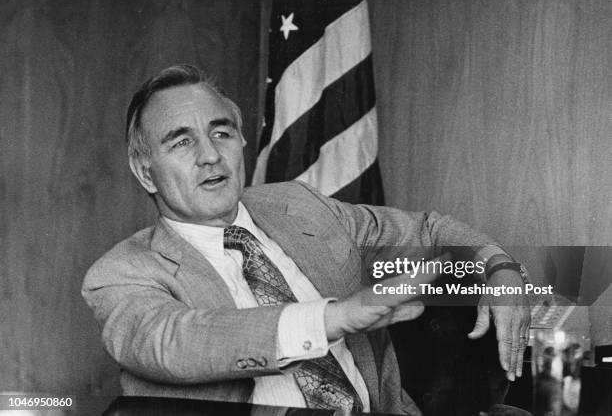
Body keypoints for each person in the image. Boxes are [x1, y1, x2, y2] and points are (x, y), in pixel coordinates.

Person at [82, 64, 530, 415]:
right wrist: (336, 318)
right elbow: (175, 344)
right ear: (145, 172)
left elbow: (429, 231)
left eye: (221, 133)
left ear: (241, 143)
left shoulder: (299, 205)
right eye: (181, 143)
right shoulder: (120, 274)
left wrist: (498, 265)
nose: (210, 155)